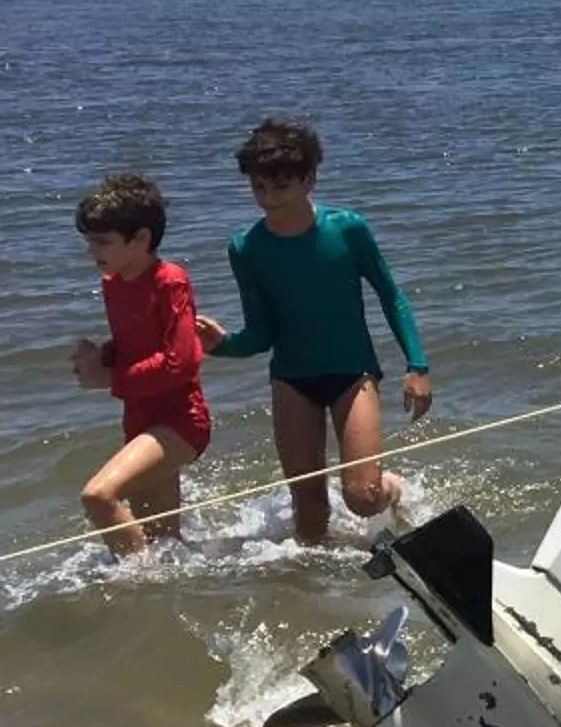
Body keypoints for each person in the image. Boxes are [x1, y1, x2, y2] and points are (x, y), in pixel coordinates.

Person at [195, 118, 432, 545]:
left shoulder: (347, 229)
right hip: (292, 379)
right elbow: (262, 334)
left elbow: (391, 296)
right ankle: (315, 580)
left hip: (353, 375)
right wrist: (223, 346)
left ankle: (393, 490)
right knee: (309, 511)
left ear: (309, 179)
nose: (269, 198)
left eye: (281, 186)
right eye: (259, 187)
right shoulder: (245, 248)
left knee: (362, 498)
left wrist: (417, 366)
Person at [69, 173, 212, 560]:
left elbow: (182, 362)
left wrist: (108, 378)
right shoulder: (113, 283)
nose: (91, 252)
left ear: (141, 239)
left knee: (98, 496)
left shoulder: (170, 281)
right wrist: (103, 355)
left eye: (102, 242)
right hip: (139, 419)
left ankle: (135, 585)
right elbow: (136, 346)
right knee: (163, 542)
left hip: (181, 421)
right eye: (89, 241)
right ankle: (168, 589)